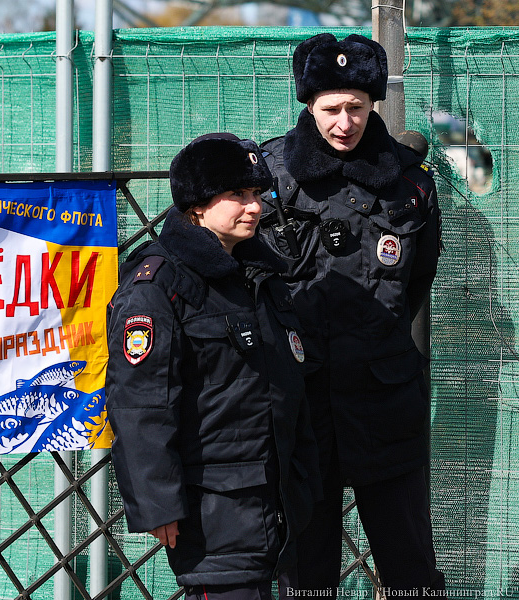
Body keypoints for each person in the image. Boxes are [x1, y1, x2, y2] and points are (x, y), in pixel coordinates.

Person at [258, 33, 446, 596]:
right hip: (302, 401)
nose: (345, 123)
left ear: (373, 103)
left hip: (384, 399)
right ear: (309, 105)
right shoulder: (268, 177)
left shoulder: (411, 184)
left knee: (409, 566)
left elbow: (417, 280)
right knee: (305, 570)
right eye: (331, 109)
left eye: (357, 107)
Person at [106, 133, 321, 600]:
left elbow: (288, 384)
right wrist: (158, 503)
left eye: (258, 193)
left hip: (280, 501)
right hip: (213, 510)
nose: (255, 207)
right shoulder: (159, 285)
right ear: (197, 206)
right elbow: (140, 403)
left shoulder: (261, 274)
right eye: (237, 194)